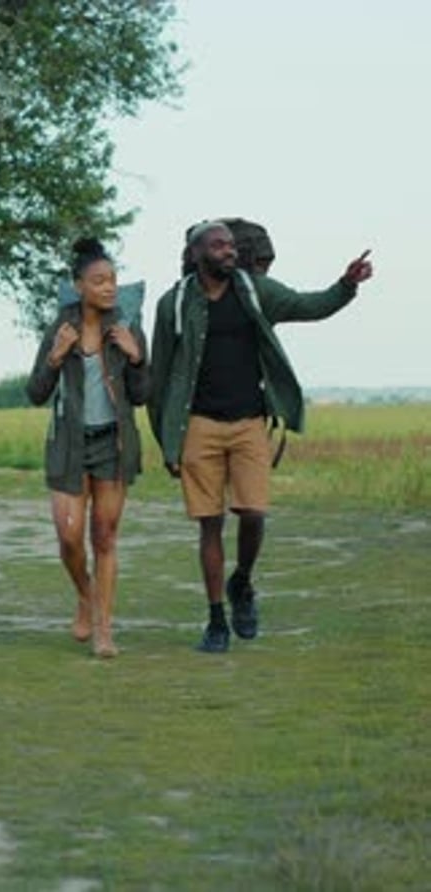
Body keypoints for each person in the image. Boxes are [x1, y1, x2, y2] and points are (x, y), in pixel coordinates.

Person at [148, 220, 372, 653]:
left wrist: (345, 285)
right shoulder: (172, 304)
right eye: (218, 245)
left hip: (250, 422)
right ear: (196, 253)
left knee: (253, 513)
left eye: (231, 245)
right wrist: (166, 442)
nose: (229, 251)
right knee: (210, 525)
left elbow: (309, 305)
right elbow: (160, 377)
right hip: (198, 426)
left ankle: (242, 581)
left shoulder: (254, 291)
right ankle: (216, 621)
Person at [27, 237, 149, 658]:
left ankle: (104, 630)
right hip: (69, 445)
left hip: (113, 444)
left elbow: (142, 394)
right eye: (99, 281)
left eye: (112, 279)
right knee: (69, 537)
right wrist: (55, 357)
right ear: (79, 286)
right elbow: (35, 393)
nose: (109, 287)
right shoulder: (60, 329)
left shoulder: (127, 327)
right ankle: (85, 593)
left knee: (105, 537)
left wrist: (136, 358)